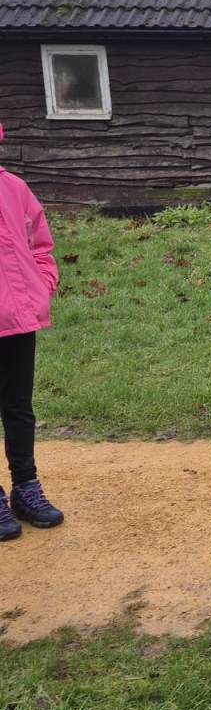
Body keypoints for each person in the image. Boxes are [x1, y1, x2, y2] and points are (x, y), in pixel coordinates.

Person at [0, 121, 64, 541]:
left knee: (19, 407)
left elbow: (41, 245)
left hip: (18, 316)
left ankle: (25, 487)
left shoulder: (15, 188)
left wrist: (41, 285)